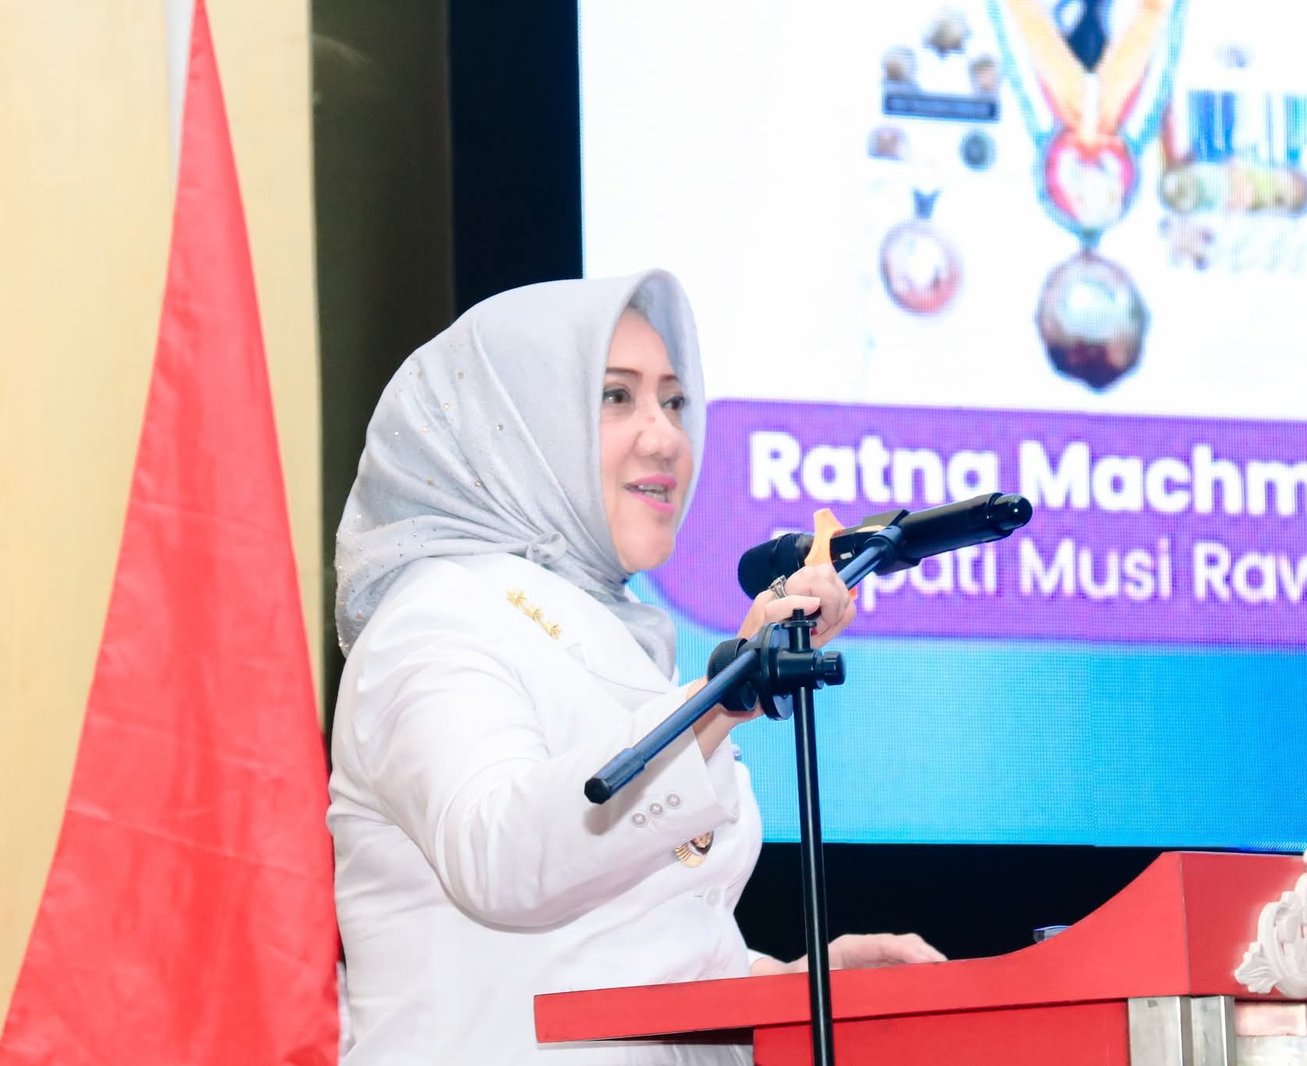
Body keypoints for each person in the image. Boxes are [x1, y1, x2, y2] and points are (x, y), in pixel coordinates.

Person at [328, 270, 942, 1065]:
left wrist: (794, 985)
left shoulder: (614, 635)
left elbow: (624, 951)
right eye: (616, 396)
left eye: (674, 401)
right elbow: (501, 858)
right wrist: (723, 698)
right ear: (510, 426)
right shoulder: (434, 618)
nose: (665, 437)